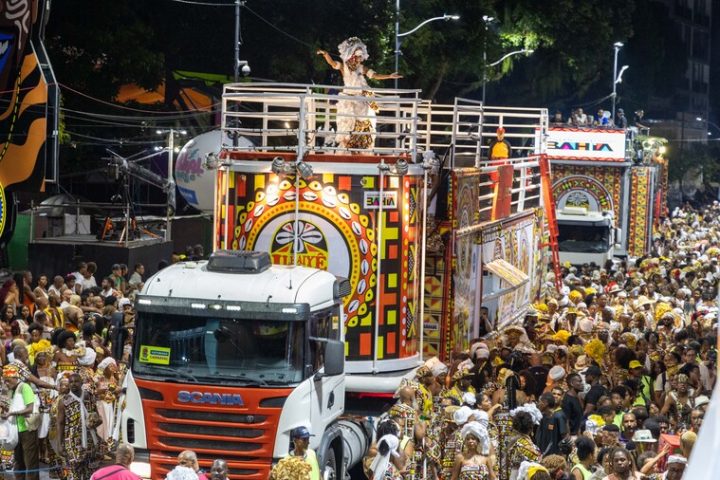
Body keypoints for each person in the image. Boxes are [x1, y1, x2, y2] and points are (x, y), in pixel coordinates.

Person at [317, 37, 401, 150]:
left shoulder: (362, 68)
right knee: (347, 123)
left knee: (363, 121)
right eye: (358, 56)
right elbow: (332, 63)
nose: (360, 59)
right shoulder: (344, 67)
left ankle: (361, 145)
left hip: (361, 98)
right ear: (352, 56)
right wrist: (326, 54)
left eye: (361, 57)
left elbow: (375, 75)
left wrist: (389, 76)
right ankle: (347, 146)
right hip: (348, 98)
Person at [2, 364, 39, 480]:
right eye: (4, 381)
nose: (6, 384)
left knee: (30, 462)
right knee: (18, 461)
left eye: (8, 381)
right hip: (16, 431)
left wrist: (11, 413)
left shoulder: (24, 387)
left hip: (27, 430)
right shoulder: (12, 391)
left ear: (15, 378)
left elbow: (30, 408)